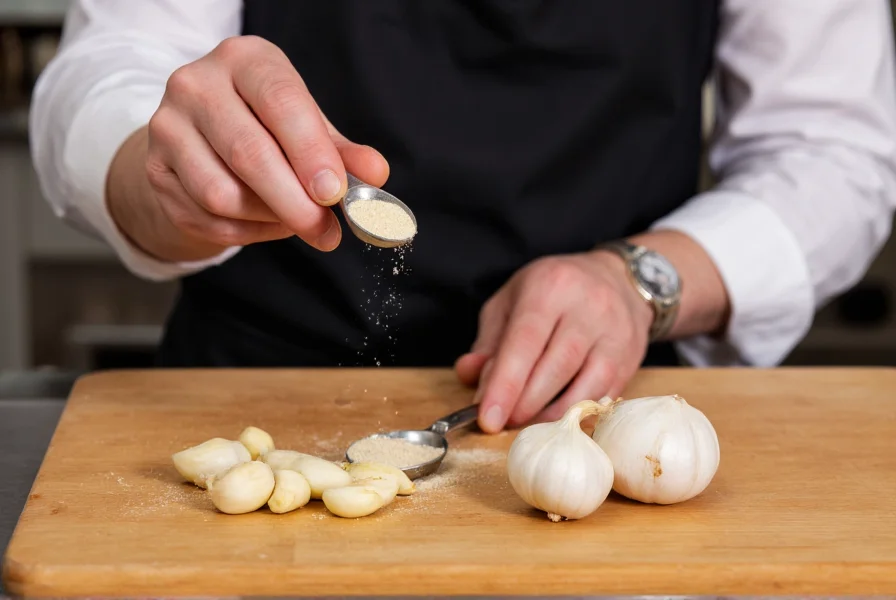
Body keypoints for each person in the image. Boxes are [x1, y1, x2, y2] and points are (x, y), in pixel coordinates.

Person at [31, 1, 896, 432]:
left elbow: (831, 149)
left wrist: (641, 278)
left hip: (603, 414)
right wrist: (167, 180)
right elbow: (109, 65)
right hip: (254, 388)